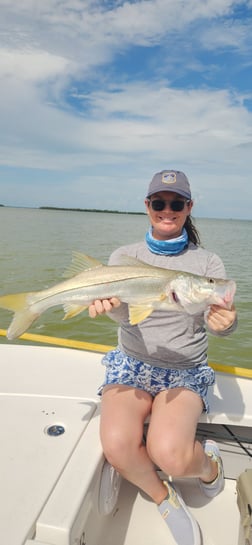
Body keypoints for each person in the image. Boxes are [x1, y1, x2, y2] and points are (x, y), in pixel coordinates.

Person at [88, 170, 237, 545]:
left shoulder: (207, 263)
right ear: (147, 206)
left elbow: (216, 321)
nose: (166, 210)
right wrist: (110, 309)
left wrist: (224, 324)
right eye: (159, 202)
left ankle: (209, 462)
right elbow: (127, 317)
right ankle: (163, 497)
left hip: (184, 371)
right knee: (118, 445)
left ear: (188, 207)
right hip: (132, 365)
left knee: (169, 453)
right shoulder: (124, 256)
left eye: (176, 203)